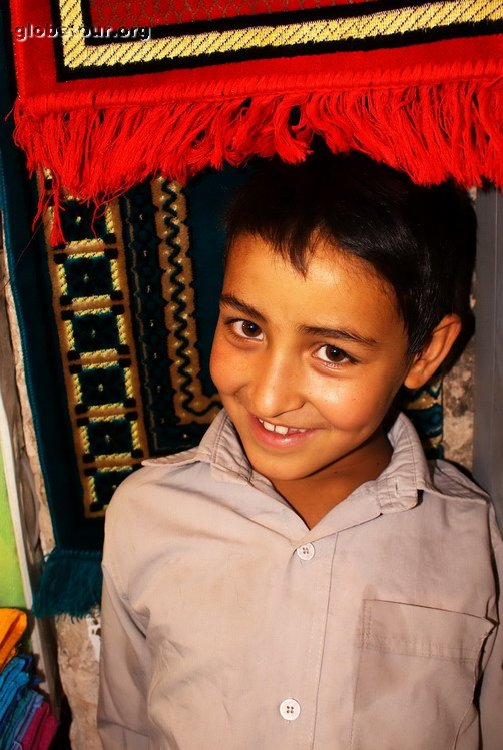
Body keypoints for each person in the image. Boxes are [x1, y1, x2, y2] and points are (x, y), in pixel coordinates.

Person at [97, 151, 503, 749]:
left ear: (424, 354)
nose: (267, 393)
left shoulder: (474, 540)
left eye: (333, 353)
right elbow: (127, 728)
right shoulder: (145, 514)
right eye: (247, 328)